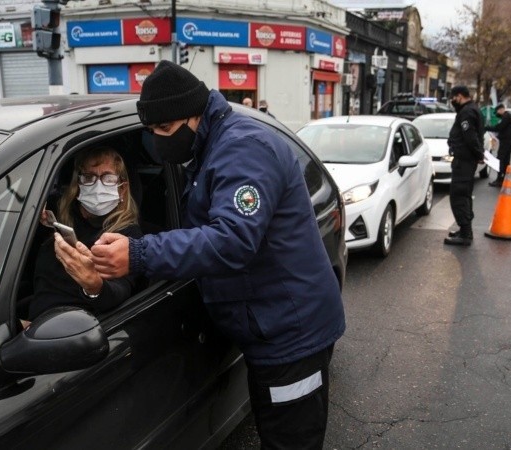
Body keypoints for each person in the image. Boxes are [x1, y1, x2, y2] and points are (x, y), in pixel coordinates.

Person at [91, 60, 345, 449]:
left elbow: (232, 239)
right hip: (270, 327)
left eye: (164, 129)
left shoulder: (243, 149)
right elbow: (202, 222)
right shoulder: (210, 145)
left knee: (291, 439)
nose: (158, 141)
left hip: (292, 334)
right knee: (274, 426)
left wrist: (140, 254)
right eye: (152, 131)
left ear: (194, 115)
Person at [29, 146, 143, 321]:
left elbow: (120, 291)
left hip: (71, 329)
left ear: (122, 189)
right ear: (79, 184)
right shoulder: (55, 212)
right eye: (89, 177)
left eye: (108, 178)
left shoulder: (127, 233)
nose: (98, 185)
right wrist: (32, 212)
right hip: (31, 321)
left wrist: (94, 284)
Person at [444, 85, 484, 246]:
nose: (452, 101)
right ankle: (465, 229)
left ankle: (466, 234)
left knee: (459, 196)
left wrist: (478, 154)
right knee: (465, 195)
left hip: (464, 161)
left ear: (459, 96)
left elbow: (470, 137)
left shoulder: (467, 112)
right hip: (466, 160)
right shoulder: (473, 109)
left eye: (453, 98)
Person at [486, 103, 511, 187]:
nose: (497, 114)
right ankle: (504, 178)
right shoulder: (507, 116)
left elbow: (499, 127)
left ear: (501, 109)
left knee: (500, 160)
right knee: (506, 160)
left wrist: (486, 127)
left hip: (507, 141)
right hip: (508, 141)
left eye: (498, 111)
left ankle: (500, 179)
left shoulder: (506, 117)